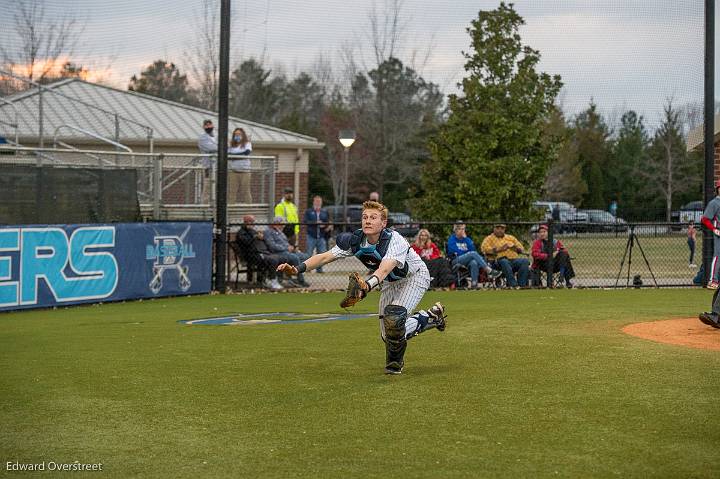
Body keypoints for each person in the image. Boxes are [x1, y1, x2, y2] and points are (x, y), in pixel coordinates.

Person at [276, 200, 447, 374]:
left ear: (383, 223)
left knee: (394, 319)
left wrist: (366, 286)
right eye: (365, 217)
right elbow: (324, 257)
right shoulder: (355, 240)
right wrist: (296, 269)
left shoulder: (395, 240)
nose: (367, 221)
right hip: (389, 282)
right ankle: (431, 318)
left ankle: (395, 365)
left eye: (373, 217)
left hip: (414, 277)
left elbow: (384, 268)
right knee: (387, 336)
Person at [447, 222, 502, 289]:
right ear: (455, 230)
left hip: (468, 260)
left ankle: (474, 283)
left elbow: (473, 249)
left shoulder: (467, 239)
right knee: (472, 254)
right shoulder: (452, 239)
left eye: (463, 229)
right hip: (456, 260)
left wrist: (466, 239)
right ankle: (489, 270)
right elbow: (453, 251)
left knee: (474, 262)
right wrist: (467, 254)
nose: (462, 231)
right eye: (460, 229)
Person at [234, 215, 283, 290]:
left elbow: (259, 239)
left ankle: (269, 279)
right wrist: (255, 237)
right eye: (251, 222)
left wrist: (261, 237)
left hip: (259, 253)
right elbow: (246, 242)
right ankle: (272, 280)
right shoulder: (241, 233)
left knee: (277, 257)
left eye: (253, 222)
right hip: (250, 255)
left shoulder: (252, 231)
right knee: (273, 260)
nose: (253, 224)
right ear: (246, 222)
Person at [264, 216, 310, 287]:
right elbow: (272, 246)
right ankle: (300, 280)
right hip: (278, 252)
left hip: (287, 251)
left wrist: (293, 248)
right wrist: (286, 248)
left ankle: (289, 277)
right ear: (276, 224)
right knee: (295, 258)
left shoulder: (280, 232)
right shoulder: (269, 232)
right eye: (282, 224)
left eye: (283, 224)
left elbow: (286, 243)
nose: (283, 226)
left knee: (305, 256)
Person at [698, 180, 720, 328]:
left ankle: (716, 315)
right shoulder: (715, 203)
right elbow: (705, 219)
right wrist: (714, 229)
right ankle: (716, 315)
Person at [481, 224, 530, 288]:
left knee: (525, 261)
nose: (500, 230)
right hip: (497, 262)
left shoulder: (510, 237)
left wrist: (514, 248)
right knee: (504, 261)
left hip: (513, 260)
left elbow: (521, 249)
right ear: (494, 229)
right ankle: (513, 285)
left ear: (505, 229)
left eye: (502, 228)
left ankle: (522, 285)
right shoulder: (489, 238)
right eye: (497, 228)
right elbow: (484, 249)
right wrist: (500, 249)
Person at [303, 195, 331, 273]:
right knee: (309, 253)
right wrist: (315, 223)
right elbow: (305, 221)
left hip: (321, 236)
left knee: (321, 254)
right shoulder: (309, 211)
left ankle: (319, 269)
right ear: (313, 202)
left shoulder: (324, 212)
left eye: (319, 201)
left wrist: (325, 225)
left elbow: (328, 222)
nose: (318, 203)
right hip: (311, 235)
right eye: (316, 201)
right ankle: (307, 268)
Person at [228, 127, 252, 204]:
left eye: (239, 134)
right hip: (233, 171)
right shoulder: (231, 145)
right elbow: (228, 156)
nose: (237, 136)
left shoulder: (247, 143)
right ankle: (230, 210)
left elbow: (246, 153)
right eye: (236, 134)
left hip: (245, 171)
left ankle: (248, 210)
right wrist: (237, 157)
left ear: (243, 135)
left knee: (245, 191)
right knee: (232, 191)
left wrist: (234, 157)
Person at [197, 119, 217, 203]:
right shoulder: (203, 137)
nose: (208, 127)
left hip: (217, 166)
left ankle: (215, 207)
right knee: (208, 187)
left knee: (217, 188)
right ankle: (204, 207)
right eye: (206, 125)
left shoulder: (215, 136)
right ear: (203, 127)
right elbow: (212, 148)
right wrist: (223, 147)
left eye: (210, 125)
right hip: (208, 167)